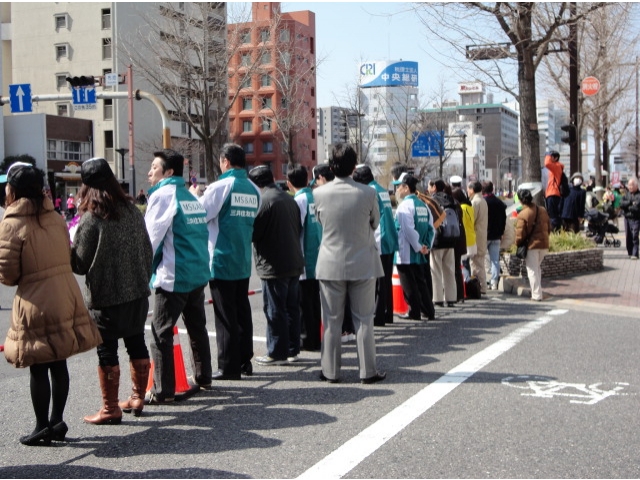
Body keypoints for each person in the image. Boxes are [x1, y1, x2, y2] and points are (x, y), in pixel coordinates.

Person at [0, 162, 101, 446]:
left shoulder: (11, 223)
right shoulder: (55, 217)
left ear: (13, 190)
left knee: (38, 364)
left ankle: (41, 425)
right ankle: (57, 421)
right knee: (58, 361)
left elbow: (7, 274)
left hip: (36, 299)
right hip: (64, 293)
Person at [71, 158, 153, 424]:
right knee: (136, 341)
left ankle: (110, 409)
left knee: (107, 350)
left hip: (106, 297)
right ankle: (138, 397)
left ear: (87, 187)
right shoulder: (132, 211)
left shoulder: (91, 219)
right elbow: (148, 250)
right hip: (138, 293)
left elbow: (79, 265)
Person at [144, 149, 213, 403]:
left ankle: (163, 390)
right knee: (197, 327)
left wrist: (143, 271)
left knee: (161, 331)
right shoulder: (190, 197)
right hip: (196, 273)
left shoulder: (163, 195)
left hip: (174, 275)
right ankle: (204, 376)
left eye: (154, 167)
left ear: (168, 172)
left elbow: (151, 239)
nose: (149, 172)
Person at [313, 143, 385, 384]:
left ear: (331, 166)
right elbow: (375, 223)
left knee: (332, 320)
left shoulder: (319, 193)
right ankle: (367, 371)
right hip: (363, 260)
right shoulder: (368, 193)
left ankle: (330, 371)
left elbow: (320, 222)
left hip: (330, 262)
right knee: (364, 319)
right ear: (355, 166)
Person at [195, 144, 261, 379]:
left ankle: (228, 366)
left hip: (221, 259)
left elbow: (199, 215)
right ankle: (245, 361)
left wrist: (195, 196)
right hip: (242, 259)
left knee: (225, 316)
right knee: (242, 311)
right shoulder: (254, 189)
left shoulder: (220, 186)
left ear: (225, 161)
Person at [248, 165, 304, 365]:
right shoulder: (289, 199)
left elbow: (254, 234)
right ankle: (292, 349)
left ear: (256, 184)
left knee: (274, 309)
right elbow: (298, 227)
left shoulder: (263, 202)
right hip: (294, 261)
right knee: (291, 308)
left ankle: (276, 352)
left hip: (274, 265)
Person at [353, 164, 399, 326]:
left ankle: (379, 316)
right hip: (390, 239)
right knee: (385, 279)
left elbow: (373, 220)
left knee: (379, 281)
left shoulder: (369, 192)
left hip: (380, 240)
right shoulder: (381, 189)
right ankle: (387, 314)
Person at [287, 165, 323, 351]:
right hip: (318, 254)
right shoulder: (314, 197)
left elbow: (295, 228)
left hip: (304, 256)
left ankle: (307, 339)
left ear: (289, 183)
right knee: (315, 301)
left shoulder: (299, 200)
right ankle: (316, 336)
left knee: (304, 302)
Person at [393, 172, 435, 321]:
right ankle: (429, 311)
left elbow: (407, 230)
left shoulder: (405, 206)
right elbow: (431, 228)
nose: (397, 190)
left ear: (405, 188)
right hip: (420, 251)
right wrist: (426, 246)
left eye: (398, 187)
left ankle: (414, 312)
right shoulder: (423, 205)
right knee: (420, 282)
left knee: (408, 284)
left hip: (406, 251)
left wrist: (418, 246)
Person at [515, 189, 552, 302]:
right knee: (536, 269)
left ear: (521, 200)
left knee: (532, 270)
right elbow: (549, 227)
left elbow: (520, 234)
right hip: (544, 244)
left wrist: (518, 243)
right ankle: (538, 292)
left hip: (532, 246)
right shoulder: (542, 210)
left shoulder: (523, 214)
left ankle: (536, 295)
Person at [431, 179, 460, 307]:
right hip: (451, 238)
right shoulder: (453, 200)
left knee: (435, 270)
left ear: (434, 187)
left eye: (429, 185)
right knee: (449, 269)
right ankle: (451, 298)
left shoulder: (433, 201)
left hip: (438, 239)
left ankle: (437, 298)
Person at [483, 181, 507, 290]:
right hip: (497, 235)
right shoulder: (499, 203)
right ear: (492, 189)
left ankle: (483, 281)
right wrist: (501, 232)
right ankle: (494, 282)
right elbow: (504, 219)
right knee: (495, 260)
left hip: (484, 235)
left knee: (481, 259)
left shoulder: (483, 202)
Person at [468, 180, 488, 294]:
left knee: (476, 264)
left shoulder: (475, 202)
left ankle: (481, 287)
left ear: (472, 190)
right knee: (479, 263)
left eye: (468, 189)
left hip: (476, 236)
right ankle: (482, 286)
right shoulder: (483, 201)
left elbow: (472, 220)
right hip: (482, 235)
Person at [452, 188, 476, 281]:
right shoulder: (470, 207)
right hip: (472, 238)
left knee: (464, 264)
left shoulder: (461, 208)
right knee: (467, 263)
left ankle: (467, 282)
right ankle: (468, 282)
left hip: (465, 239)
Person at [619, 177, 640, 260]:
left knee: (635, 235)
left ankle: (635, 254)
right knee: (628, 236)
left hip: (636, 218)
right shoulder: (626, 194)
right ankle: (630, 252)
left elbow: (637, 208)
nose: (630, 187)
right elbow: (621, 204)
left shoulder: (639, 195)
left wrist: (627, 207)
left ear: (636, 186)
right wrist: (630, 203)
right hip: (627, 218)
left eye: (632, 185)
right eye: (629, 185)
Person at [544, 150, 564, 232]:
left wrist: (548, 154)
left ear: (555, 158)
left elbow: (546, 164)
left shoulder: (556, 166)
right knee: (554, 215)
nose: (549, 158)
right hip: (553, 193)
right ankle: (557, 231)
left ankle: (555, 231)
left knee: (553, 216)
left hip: (553, 193)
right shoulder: (557, 167)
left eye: (551, 157)